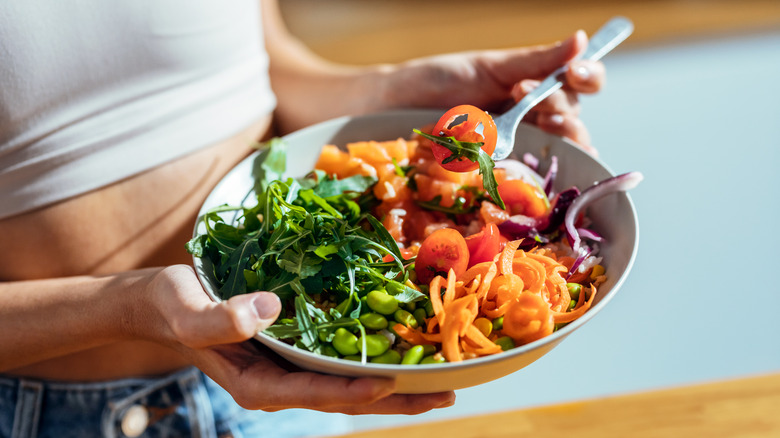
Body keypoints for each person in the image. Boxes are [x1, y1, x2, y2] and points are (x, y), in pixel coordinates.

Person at [0, 0, 605, 436]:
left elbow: (260, 67)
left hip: (291, 376)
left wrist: (390, 90)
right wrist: (130, 306)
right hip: (49, 417)